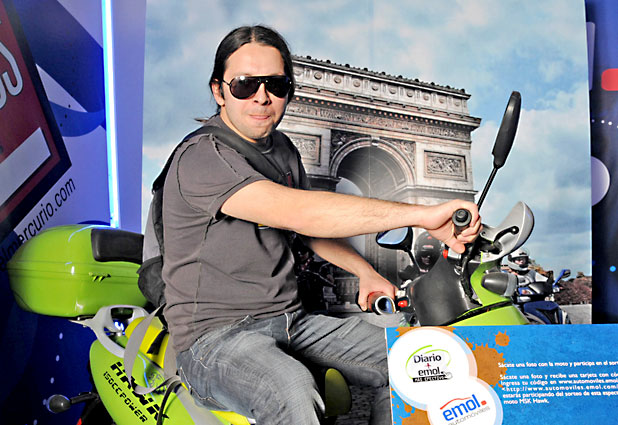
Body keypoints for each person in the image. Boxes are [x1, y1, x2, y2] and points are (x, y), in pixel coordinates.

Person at [161, 25, 481, 425]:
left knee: (417, 360)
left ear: (289, 91)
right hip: (215, 338)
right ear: (219, 91)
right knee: (291, 388)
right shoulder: (201, 155)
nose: (261, 96)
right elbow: (302, 213)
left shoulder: (283, 150)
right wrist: (421, 214)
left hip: (292, 321)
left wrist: (365, 272)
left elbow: (309, 232)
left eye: (276, 84)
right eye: (244, 84)